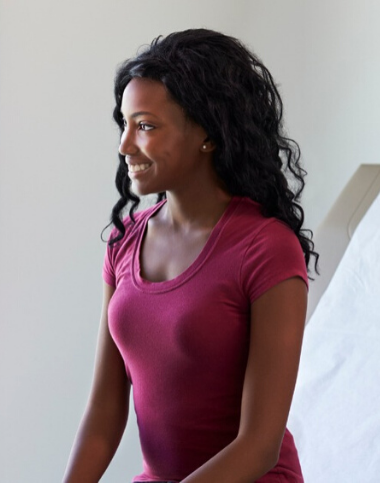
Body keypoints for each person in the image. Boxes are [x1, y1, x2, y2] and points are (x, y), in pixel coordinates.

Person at [64, 29, 317, 483]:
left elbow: (259, 446)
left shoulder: (266, 249)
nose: (124, 145)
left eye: (145, 125)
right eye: (124, 123)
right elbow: (104, 413)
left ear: (207, 133)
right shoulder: (124, 242)